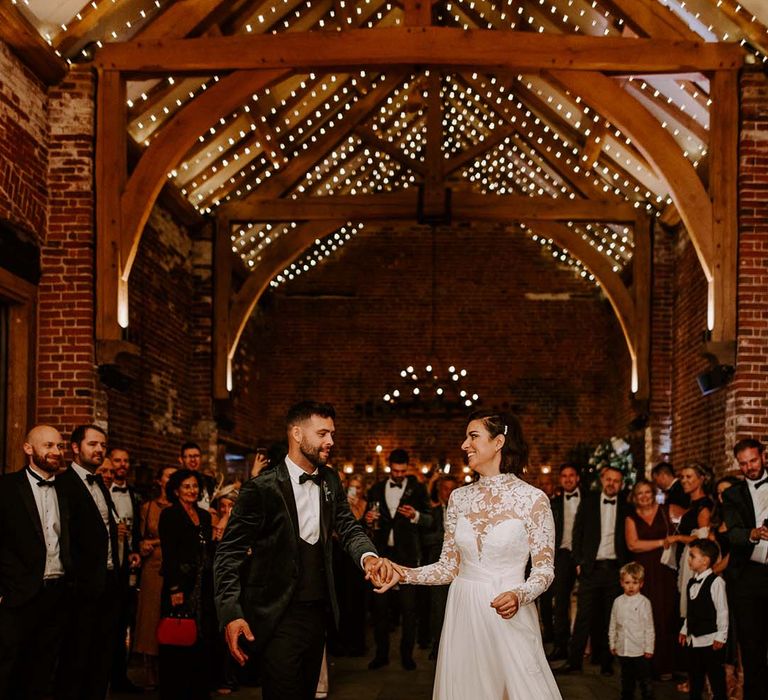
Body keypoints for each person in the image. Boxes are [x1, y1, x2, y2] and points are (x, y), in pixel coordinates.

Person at [213, 401, 395, 700]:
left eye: (332, 433)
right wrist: (231, 613)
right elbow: (228, 556)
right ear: (297, 434)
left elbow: (348, 527)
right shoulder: (261, 489)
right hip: (277, 616)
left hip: (318, 614)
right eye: (323, 433)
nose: (331, 441)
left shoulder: (331, 480)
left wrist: (369, 557)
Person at [380, 410, 561, 700]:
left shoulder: (533, 500)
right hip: (463, 610)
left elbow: (544, 570)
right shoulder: (459, 498)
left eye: (473, 436)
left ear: (499, 441)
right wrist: (403, 572)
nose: (464, 444)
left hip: (506, 611)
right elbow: (448, 567)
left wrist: (519, 595)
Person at [0, 425, 72, 700]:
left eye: (59, 446)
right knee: (9, 666)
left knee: (43, 669)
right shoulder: (6, 488)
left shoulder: (65, 490)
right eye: (48, 446)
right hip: (17, 595)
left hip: (56, 592)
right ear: (28, 449)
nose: (56, 451)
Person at [55, 424, 121, 700]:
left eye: (103, 445)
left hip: (107, 582)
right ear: (75, 448)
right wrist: (74, 580)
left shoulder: (101, 484)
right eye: (93, 444)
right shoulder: (63, 484)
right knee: (76, 658)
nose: (99, 450)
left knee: (101, 657)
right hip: (80, 588)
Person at [365, 448, 433, 671]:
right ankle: (381, 654)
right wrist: (368, 518)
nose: (399, 475)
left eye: (403, 471)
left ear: (408, 468)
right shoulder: (375, 489)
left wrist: (414, 515)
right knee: (380, 608)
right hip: (382, 556)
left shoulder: (418, 489)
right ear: (389, 468)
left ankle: (407, 655)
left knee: (409, 609)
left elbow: (429, 520)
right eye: (395, 471)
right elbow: (366, 520)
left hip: (407, 558)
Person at [559, 464, 629, 676]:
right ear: (602, 479)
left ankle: (606, 662)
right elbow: (577, 533)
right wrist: (579, 561)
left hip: (615, 570)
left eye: (616, 481)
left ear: (621, 484)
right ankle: (574, 662)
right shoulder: (588, 503)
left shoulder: (627, 506)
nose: (612, 484)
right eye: (609, 479)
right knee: (583, 617)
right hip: (591, 569)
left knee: (610, 617)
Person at [158, 469, 216, 699]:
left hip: (202, 585)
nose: (192, 491)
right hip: (180, 586)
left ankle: (198, 690)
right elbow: (169, 554)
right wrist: (175, 589)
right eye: (186, 487)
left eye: (194, 486)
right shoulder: (170, 515)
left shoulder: (204, 516)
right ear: (176, 491)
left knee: (201, 638)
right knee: (177, 639)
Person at [721, 438, 768, 700]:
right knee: (751, 646)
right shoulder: (732, 494)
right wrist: (755, 532)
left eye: (753, 460)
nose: (750, 467)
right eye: (744, 464)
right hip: (749, 575)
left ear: (763, 456)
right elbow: (734, 534)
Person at [624, 479, 677, 679]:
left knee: (666, 613)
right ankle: (645, 666)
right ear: (634, 497)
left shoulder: (666, 510)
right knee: (645, 616)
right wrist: (662, 542)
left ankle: (666, 665)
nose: (644, 496)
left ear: (653, 493)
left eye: (647, 492)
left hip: (665, 569)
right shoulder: (631, 517)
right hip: (643, 572)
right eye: (640, 493)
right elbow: (633, 545)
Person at [134, 465, 176, 689]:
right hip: (152, 568)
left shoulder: (180, 507)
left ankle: (169, 668)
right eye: (167, 475)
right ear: (160, 480)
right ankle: (149, 668)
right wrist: (141, 546)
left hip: (171, 563)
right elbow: (139, 539)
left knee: (170, 616)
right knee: (149, 618)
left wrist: (156, 542)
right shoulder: (147, 507)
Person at [108, 447, 143, 694]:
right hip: (104, 569)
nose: (122, 465)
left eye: (125, 461)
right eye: (117, 461)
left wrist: (134, 550)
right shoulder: (101, 491)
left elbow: (136, 532)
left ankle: (120, 676)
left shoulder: (133, 494)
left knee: (123, 625)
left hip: (125, 568)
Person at [678, 538, 728, 700]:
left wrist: (721, 635)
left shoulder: (716, 582)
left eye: (692, 556)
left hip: (710, 640)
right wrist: (685, 629)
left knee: (716, 678)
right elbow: (691, 611)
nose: (689, 559)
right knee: (695, 677)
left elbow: (722, 611)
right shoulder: (691, 582)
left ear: (705, 561)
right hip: (694, 639)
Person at [546, 463, 582, 661]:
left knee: (586, 602)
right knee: (560, 602)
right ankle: (560, 646)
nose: (568, 479)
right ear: (561, 479)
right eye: (564, 476)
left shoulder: (589, 501)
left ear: (577, 478)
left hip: (583, 556)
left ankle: (583, 646)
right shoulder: (554, 504)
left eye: (571, 475)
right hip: (561, 556)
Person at [609, 562, 654, 700]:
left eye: (635, 582)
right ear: (621, 583)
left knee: (644, 679)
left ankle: (647, 696)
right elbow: (613, 624)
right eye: (627, 582)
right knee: (626, 679)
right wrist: (612, 643)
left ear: (641, 584)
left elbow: (649, 627)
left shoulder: (644, 602)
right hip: (624, 649)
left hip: (640, 649)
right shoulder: (617, 602)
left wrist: (649, 648)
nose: (631, 586)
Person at [179, 441, 216, 510]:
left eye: (196, 456)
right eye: (189, 456)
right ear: (181, 460)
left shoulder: (209, 480)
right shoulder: (176, 481)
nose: (193, 460)